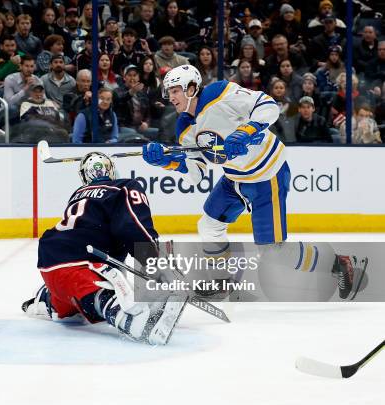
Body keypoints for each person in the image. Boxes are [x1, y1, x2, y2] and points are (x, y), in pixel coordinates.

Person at [141, 65, 363, 300]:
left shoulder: (219, 93)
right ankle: (222, 280)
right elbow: (197, 172)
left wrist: (244, 131)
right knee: (208, 225)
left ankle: (338, 264)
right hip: (235, 178)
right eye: (169, 92)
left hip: (267, 175)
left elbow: (267, 106)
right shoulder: (184, 127)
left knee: (274, 252)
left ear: (192, 88)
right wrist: (166, 162)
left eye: (176, 90)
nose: (171, 97)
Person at [22, 151, 184, 346]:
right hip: (80, 262)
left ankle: (46, 297)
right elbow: (133, 226)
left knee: (71, 306)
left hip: (51, 262)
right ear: (112, 170)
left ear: (84, 176)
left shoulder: (78, 195)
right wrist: (156, 261)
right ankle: (128, 317)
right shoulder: (123, 187)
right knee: (100, 295)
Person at [3, 54, 40, 121]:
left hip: (27, 112)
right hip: (8, 113)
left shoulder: (37, 81)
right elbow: (9, 103)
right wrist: (25, 88)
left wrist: (36, 90)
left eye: (31, 66)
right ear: (20, 66)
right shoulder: (10, 79)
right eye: (26, 66)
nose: (29, 69)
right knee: (13, 109)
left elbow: (43, 101)